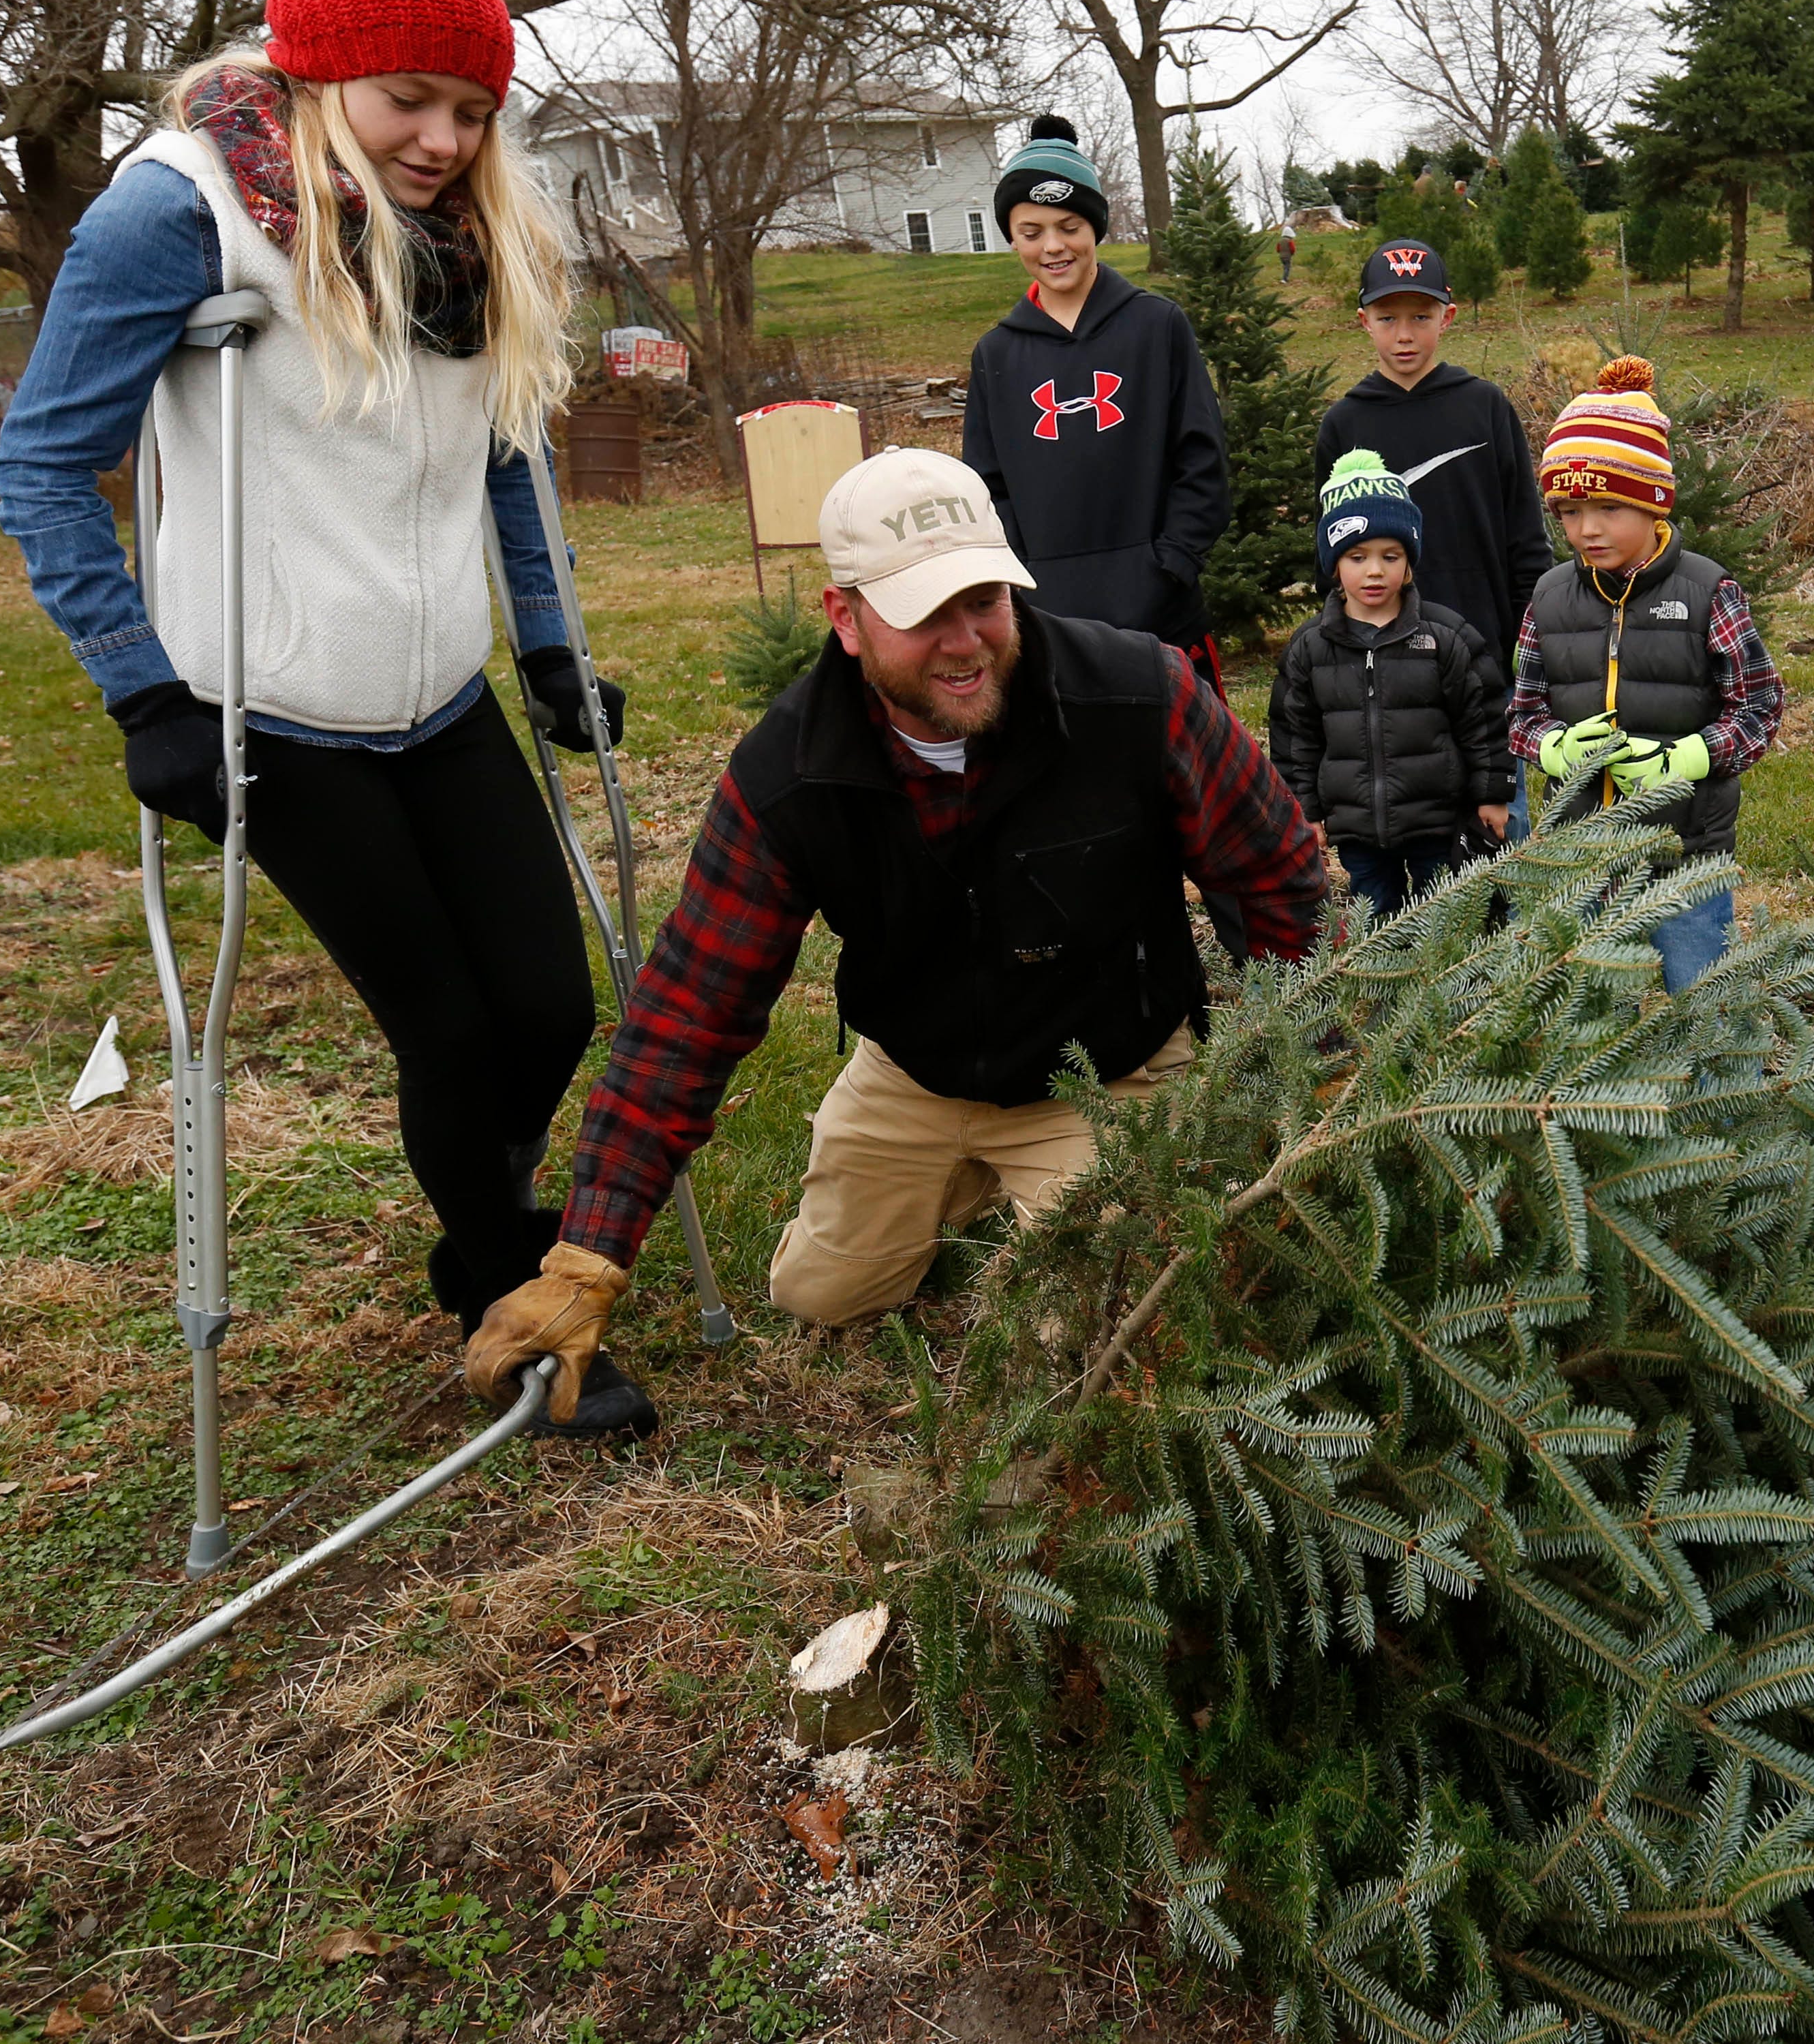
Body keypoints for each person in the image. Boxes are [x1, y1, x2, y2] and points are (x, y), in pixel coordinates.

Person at [0, 0, 651, 1438]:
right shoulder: (181, 207)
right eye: (408, 102)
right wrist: (143, 693)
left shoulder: (464, 236)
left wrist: (549, 651)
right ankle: (512, 1309)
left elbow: (501, 453)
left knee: (549, 1012)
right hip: (268, 713)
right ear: (316, 75)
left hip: (440, 695)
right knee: (450, 1027)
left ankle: (472, 1226)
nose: (442, 141)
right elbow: (42, 463)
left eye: (470, 110)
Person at [460, 449, 1326, 1404]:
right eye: (922, 614)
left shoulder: (1138, 695)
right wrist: (587, 1257)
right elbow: (689, 1011)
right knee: (818, 1295)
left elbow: (1277, 878)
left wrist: (1303, 1078)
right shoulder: (788, 776)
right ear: (847, 619)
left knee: (1099, 1335)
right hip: (915, 1071)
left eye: (984, 600)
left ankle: (1048, 1194)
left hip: (1105, 1067)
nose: (966, 641)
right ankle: (952, 1189)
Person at [1504, 357, 1784, 996]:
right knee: (1582, 1000)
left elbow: (1759, 708)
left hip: (1683, 850)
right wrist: (1553, 746)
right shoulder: (1548, 598)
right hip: (1580, 850)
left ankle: (1719, 1091)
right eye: (1569, 511)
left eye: (1607, 506)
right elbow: (1520, 712)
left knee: (1701, 993)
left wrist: (1683, 758)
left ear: (1652, 503)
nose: (1587, 528)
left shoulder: (1707, 591)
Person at [961, 116, 1233, 690]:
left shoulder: (1157, 327)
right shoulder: (996, 354)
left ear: (1096, 227)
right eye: (1031, 231)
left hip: (1164, 613)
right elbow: (988, 490)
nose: (1053, 246)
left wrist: (1170, 566)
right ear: (1011, 238)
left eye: (1070, 226)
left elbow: (1202, 459)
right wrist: (1026, 584)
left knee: (1181, 771)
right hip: (1047, 618)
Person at [1268, 452, 1513, 916]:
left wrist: (1491, 794)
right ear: (1334, 565)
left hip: (1437, 822)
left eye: (1390, 556)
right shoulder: (1309, 647)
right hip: (1356, 826)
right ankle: (1384, 988)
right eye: (1357, 557)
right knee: (1376, 916)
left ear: (1410, 562)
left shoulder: (1446, 637)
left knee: (1446, 913)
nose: (1375, 571)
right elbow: (1295, 737)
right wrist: (1305, 810)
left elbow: (1482, 721)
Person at [1310, 240, 1553, 662]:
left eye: (1421, 317)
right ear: (1365, 321)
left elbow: (1526, 537)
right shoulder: (1344, 424)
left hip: (1484, 647)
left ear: (1447, 317)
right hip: (1381, 656)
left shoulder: (1485, 407)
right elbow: (1330, 556)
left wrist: (1529, 638)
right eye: (1388, 318)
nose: (1404, 335)